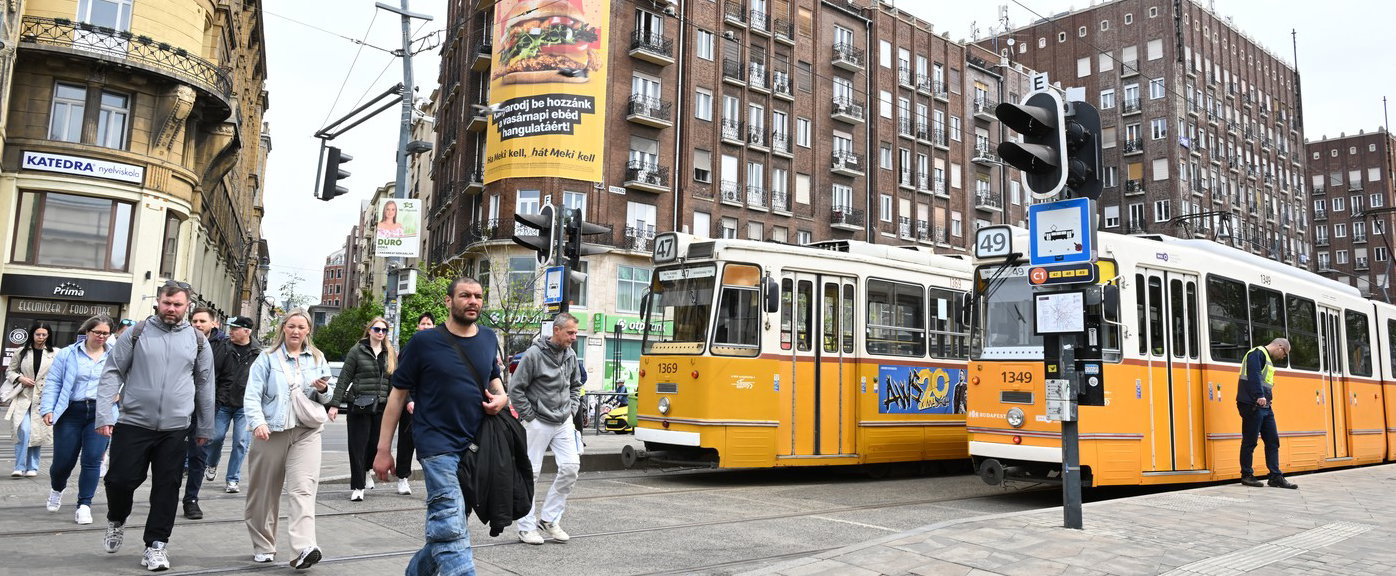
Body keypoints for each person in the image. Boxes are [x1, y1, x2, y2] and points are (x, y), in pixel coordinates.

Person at [373, 278, 508, 575]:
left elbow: (494, 379)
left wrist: (502, 398)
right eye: (465, 295)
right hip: (436, 445)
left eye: (478, 296)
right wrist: (384, 449)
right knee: (448, 519)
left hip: (476, 447)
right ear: (449, 301)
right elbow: (397, 397)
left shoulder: (487, 338)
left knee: (453, 519)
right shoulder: (423, 342)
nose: (473, 301)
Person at [97, 282, 215, 570]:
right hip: (133, 422)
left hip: (175, 428)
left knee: (167, 487)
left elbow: (205, 385)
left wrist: (205, 427)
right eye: (166, 303)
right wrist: (103, 415)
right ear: (158, 302)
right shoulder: (137, 333)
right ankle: (116, 518)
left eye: (177, 304)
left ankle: (156, 546)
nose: (171, 309)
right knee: (120, 480)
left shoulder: (198, 341)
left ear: (187, 305)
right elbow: (113, 372)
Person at [243, 309, 333, 569]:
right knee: (263, 493)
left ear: (308, 332)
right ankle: (263, 544)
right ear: (283, 328)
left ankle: (303, 548)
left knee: (303, 489)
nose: (296, 331)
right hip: (270, 431)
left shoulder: (317, 358)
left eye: (301, 327)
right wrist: (258, 422)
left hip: (306, 432)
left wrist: (324, 390)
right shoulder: (267, 358)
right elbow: (252, 394)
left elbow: (328, 397)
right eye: (291, 326)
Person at [510, 312, 584, 545]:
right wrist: (529, 416)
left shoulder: (570, 355)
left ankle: (550, 519)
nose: (574, 337)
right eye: (570, 332)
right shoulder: (533, 355)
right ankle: (526, 527)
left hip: (563, 421)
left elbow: (575, 385)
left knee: (571, 467)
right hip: (538, 421)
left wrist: (571, 409)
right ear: (556, 331)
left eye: (575, 333)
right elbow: (516, 389)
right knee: (530, 473)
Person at [39, 315, 116, 524]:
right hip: (71, 411)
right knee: (63, 462)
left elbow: (126, 378)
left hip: (100, 413)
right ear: (87, 332)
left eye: (105, 333)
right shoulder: (67, 354)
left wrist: (120, 394)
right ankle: (57, 488)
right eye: (97, 332)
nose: (101, 337)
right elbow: (53, 382)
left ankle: (84, 505)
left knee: (92, 460)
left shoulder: (115, 355)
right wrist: (48, 408)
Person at [329, 316, 397, 502]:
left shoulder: (390, 353)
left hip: (381, 406)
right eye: (377, 329)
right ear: (369, 330)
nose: (380, 333)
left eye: (384, 330)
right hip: (358, 405)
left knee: (375, 446)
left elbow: (393, 383)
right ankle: (358, 486)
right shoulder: (357, 350)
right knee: (357, 446)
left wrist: (395, 405)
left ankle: (367, 471)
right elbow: (344, 378)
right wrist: (335, 404)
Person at [204, 315, 260, 494]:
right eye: (231, 328)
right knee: (215, 437)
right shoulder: (223, 347)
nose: (231, 332)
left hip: (245, 406)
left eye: (235, 329)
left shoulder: (258, 352)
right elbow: (214, 374)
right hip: (223, 402)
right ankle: (211, 464)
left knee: (241, 442)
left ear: (247, 331)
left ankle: (232, 479)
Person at [179, 307, 223, 519]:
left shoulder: (222, 346)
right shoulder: (180, 339)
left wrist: (216, 403)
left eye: (202, 321)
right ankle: (165, 496)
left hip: (205, 409)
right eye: (194, 320)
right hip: (178, 407)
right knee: (172, 455)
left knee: (198, 457)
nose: (197, 324)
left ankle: (191, 500)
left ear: (213, 324)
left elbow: (227, 378)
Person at [1237, 337, 1298, 489]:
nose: (1283, 357)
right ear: (1279, 347)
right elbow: (1254, 375)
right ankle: (1247, 475)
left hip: (1265, 406)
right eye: (1284, 353)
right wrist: (1259, 395)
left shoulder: (1266, 358)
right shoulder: (1256, 354)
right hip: (1252, 404)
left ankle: (1275, 476)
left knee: (1272, 440)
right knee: (1250, 441)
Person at [389, 312, 437, 496]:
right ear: (418, 326)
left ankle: (433, 482)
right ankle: (402, 478)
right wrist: (409, 400)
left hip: (430, 402)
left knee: (432, 444)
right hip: (410, 401)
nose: (425, 326)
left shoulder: (438, 348)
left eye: (429, 323)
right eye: (423, 323)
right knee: (406, 442)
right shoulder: (411, 347)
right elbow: (401, 378)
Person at [5, 322, 56, 477]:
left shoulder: (55, 353)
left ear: (48, 335)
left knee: (36, 432)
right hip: (24, 396)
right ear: (32, 334)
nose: (40, 337)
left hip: (43, 398)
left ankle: (33, 467)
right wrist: (20, 378)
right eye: (37, 334)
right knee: (24, 430)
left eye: (44, 335)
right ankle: (19, 466)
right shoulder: (21, 352)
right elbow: (10, 370)